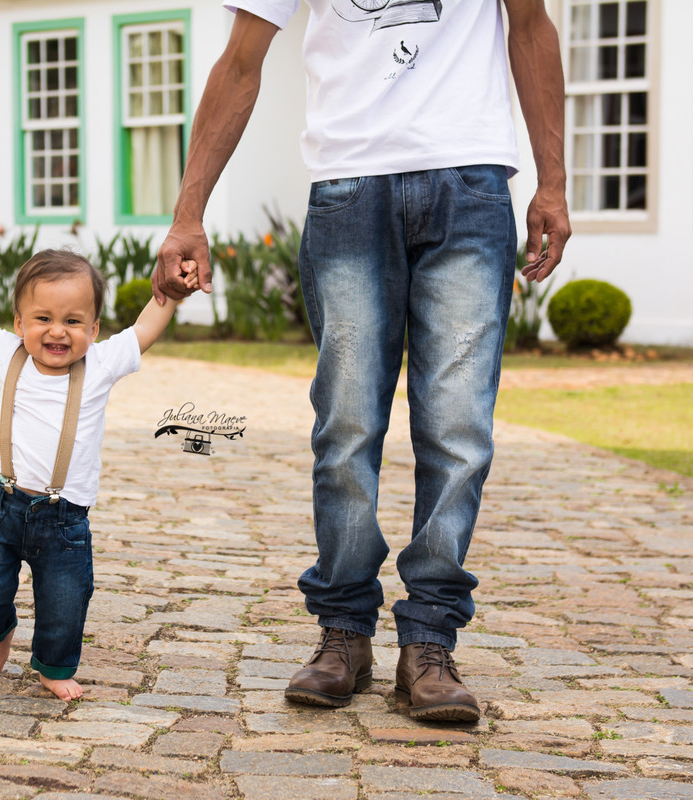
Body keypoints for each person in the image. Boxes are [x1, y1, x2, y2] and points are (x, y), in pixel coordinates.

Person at [153, 0, 571, 722]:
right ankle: (344, 633)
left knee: (459, 429)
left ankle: (430, 643)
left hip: (470, 181)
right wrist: (189, 211)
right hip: (349, 187)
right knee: (345, 425)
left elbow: (531, 26)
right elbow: (242, 61)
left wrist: (554, 180)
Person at [0, 242, 188, 700]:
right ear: (20, 323)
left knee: (65, 604)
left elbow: (144, 327)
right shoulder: (7, 355)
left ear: (94, 327)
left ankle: (53, 665)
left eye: (73, 321)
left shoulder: (100, 365)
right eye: (43, 319)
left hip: (65, 521)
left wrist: (171, 293)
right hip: (4, 507)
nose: (57, 332)